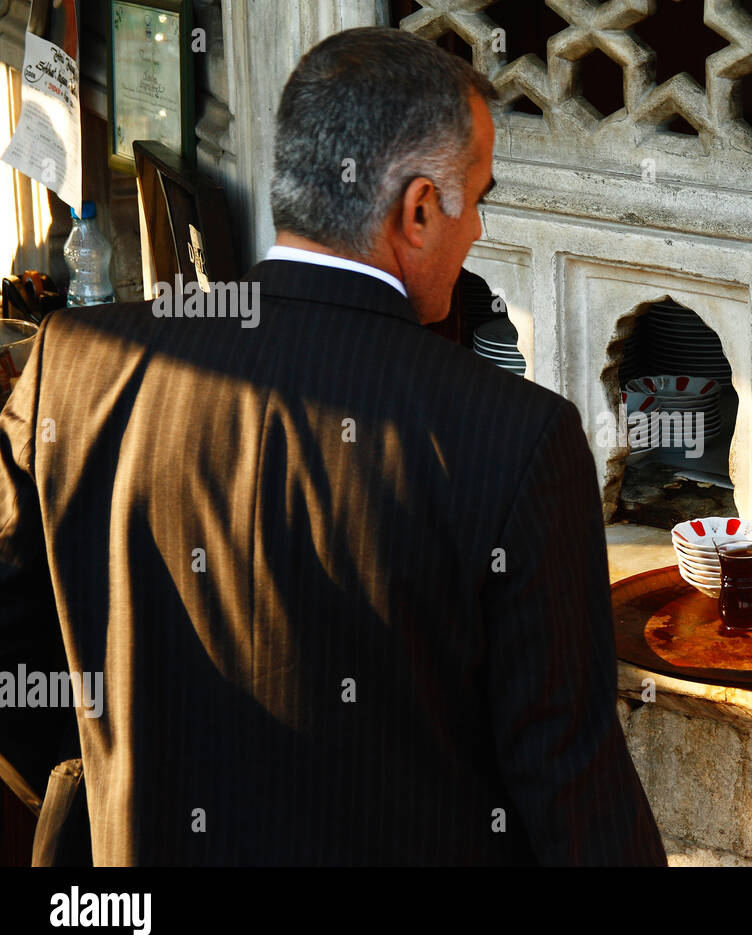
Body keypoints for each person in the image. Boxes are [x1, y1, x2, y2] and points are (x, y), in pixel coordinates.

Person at [0, 26, 666, 865]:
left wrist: (123, 772)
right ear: (419, 210)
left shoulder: (78, 365)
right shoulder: (516, 438)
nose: (480, 232)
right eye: (477, 200)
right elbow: (573, 791)